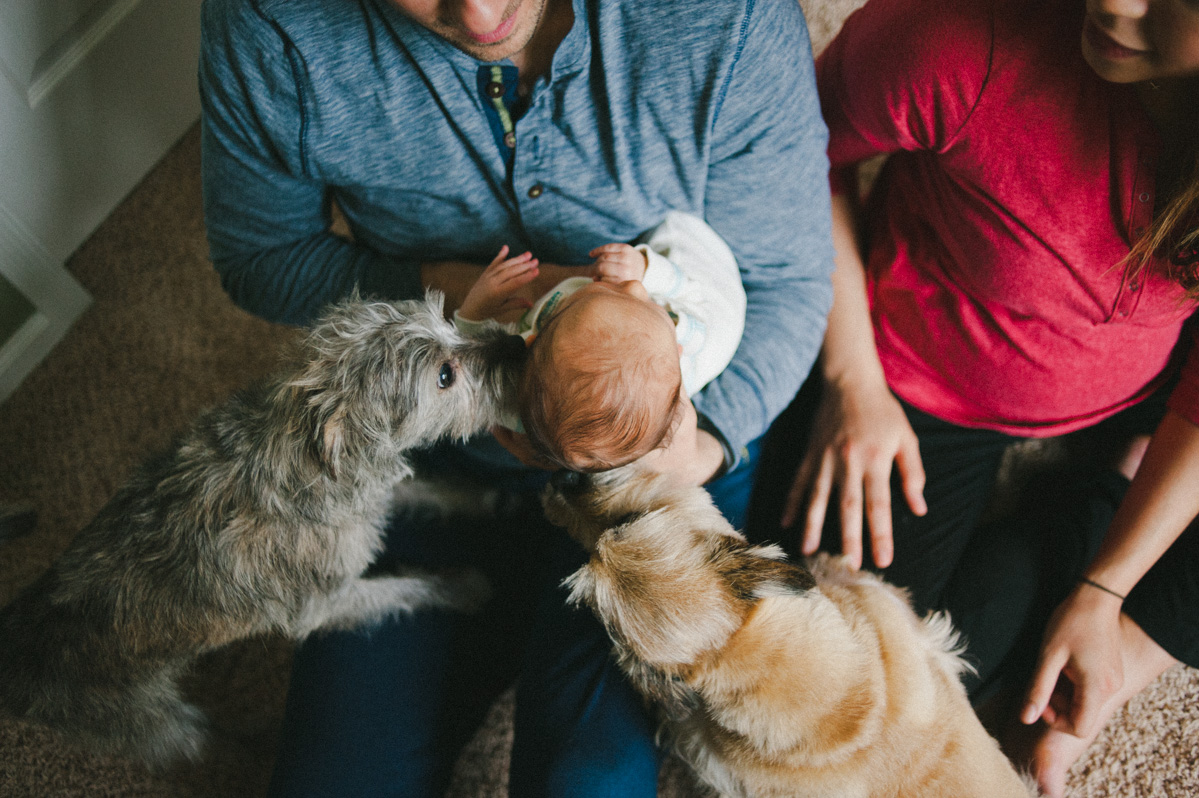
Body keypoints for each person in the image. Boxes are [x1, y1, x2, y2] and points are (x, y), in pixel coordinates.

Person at [197, 0, 834, 795]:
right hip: (446, 463)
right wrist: (445, 291)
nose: (480, 13)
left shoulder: (722, 18)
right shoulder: (270, 25)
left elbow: (788, 284)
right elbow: (264, 258)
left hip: (659, 473)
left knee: (589, 780)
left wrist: (693, 445)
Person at [761, 0, 1199, 795]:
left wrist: (1106, 594)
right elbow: (795, 148)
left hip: (1152, 376)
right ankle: (1102, 490)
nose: (1112, 2)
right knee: (840, 689)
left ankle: (1115, 491)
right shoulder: (958, 38)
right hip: (927, 375)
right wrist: (851, 381)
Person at [455, 212, 746, 471]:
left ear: (530, 341)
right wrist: (647, 269)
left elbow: (470, 371)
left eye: (604, 292)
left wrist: (476, 311)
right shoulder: (681, 331)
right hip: (716, 300)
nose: (633, 287)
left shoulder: (515, 404)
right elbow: (692, 294)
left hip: (695, 286)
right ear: (677, 350)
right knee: (688, 257)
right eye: (642, 300)